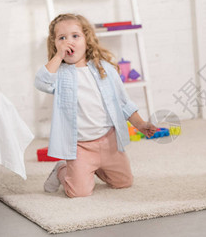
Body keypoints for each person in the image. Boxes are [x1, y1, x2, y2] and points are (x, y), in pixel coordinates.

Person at [34, 13, 157, 198]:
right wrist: (58, 55)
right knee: (78, 192)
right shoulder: (60, 74)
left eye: (75, 36)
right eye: (62, 38)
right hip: (80, 147)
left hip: (109, 141)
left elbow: (124, 102)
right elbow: (42, 82)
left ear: (87, 39)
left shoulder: (104, 68)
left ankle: (95, 169)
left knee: (124, 182)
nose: (70, 42)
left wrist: (140, 124)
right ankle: (62, 169)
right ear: (55, 44)